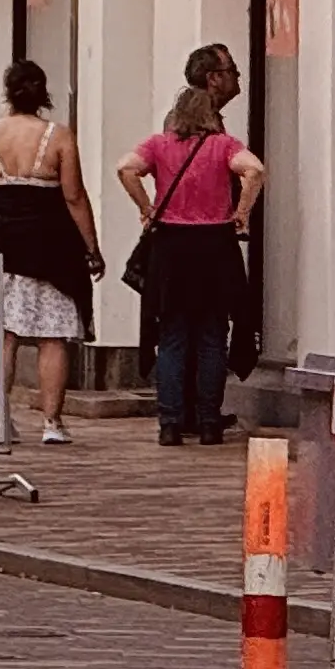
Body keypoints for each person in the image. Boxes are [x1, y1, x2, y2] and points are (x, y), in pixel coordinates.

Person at [120, 81, 266, 444]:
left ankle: (170, 423)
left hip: (171, 247)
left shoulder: (158, 144)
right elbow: (255, 170)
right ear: (212, 116)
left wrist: (146, 208)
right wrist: (241, 212)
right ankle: (208, 422)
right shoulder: (223, 145)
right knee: (213, 337)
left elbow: (126, 167)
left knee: (172, 338)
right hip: (215, 247)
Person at [0, 61, 103, 443]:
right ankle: (52, 424)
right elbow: (74, 197)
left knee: (3, 334)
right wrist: (92, 247)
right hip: (51, 244)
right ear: (43, 93)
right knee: (53, 335)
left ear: (8, 92)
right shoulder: (59, 136)